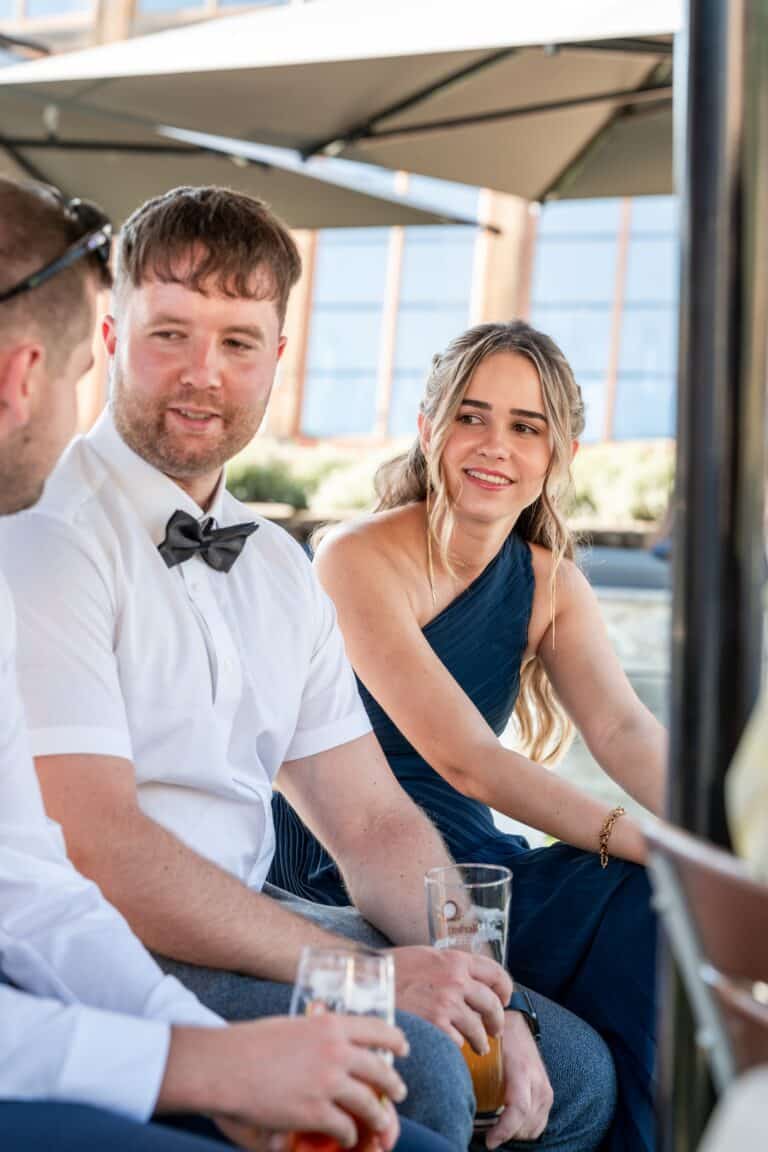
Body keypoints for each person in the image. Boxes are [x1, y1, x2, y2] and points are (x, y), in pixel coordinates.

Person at [0, 189, 616, 1152]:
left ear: (278, 356)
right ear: (111, 337)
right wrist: (365, 975)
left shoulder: (280, 568)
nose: (204, 374)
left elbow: (371, 821)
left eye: (238, 343)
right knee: (423, 1072)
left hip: (255, 908)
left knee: (572, 1072)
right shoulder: (45, 532)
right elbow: (95, 851)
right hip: (124, 934)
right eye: (171, 335)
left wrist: (477, 987)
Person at [268, 321, 665, 1152]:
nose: (495, 446)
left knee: (651, 902)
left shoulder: (551, 584)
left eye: (526, 427)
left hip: (472, 855)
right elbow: (468, 760)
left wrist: (724, 834)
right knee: (645, 873)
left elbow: (624, 728)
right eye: (471, 417)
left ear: (561, 454)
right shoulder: (354, 558)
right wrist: (643, 839)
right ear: (429, 430)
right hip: (350, 851)